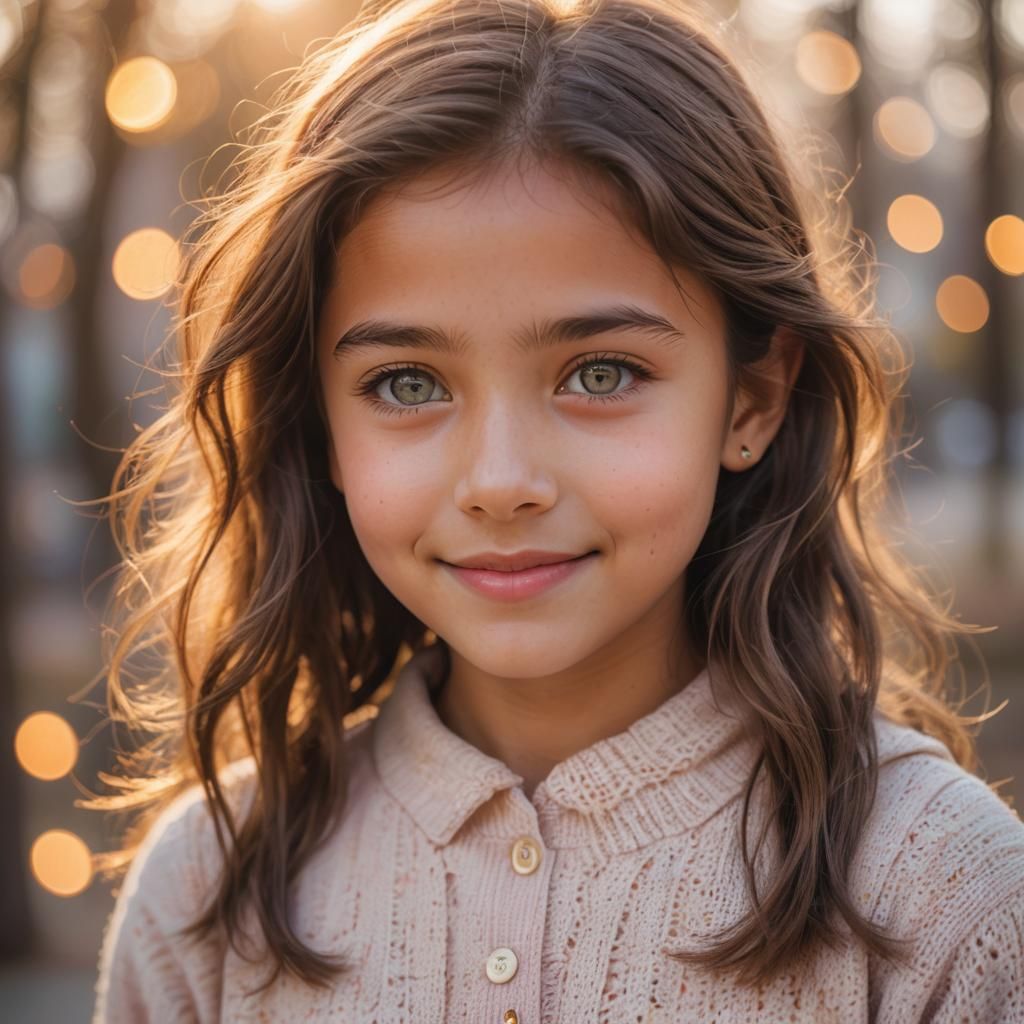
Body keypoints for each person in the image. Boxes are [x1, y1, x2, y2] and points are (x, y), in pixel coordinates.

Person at [86, 0, 1024, 1020]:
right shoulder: (206, 893)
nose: (500, 480)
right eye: (407, 384)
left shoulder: (948, 893)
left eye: (600, 372)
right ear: (320, 426)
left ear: (750, 399)